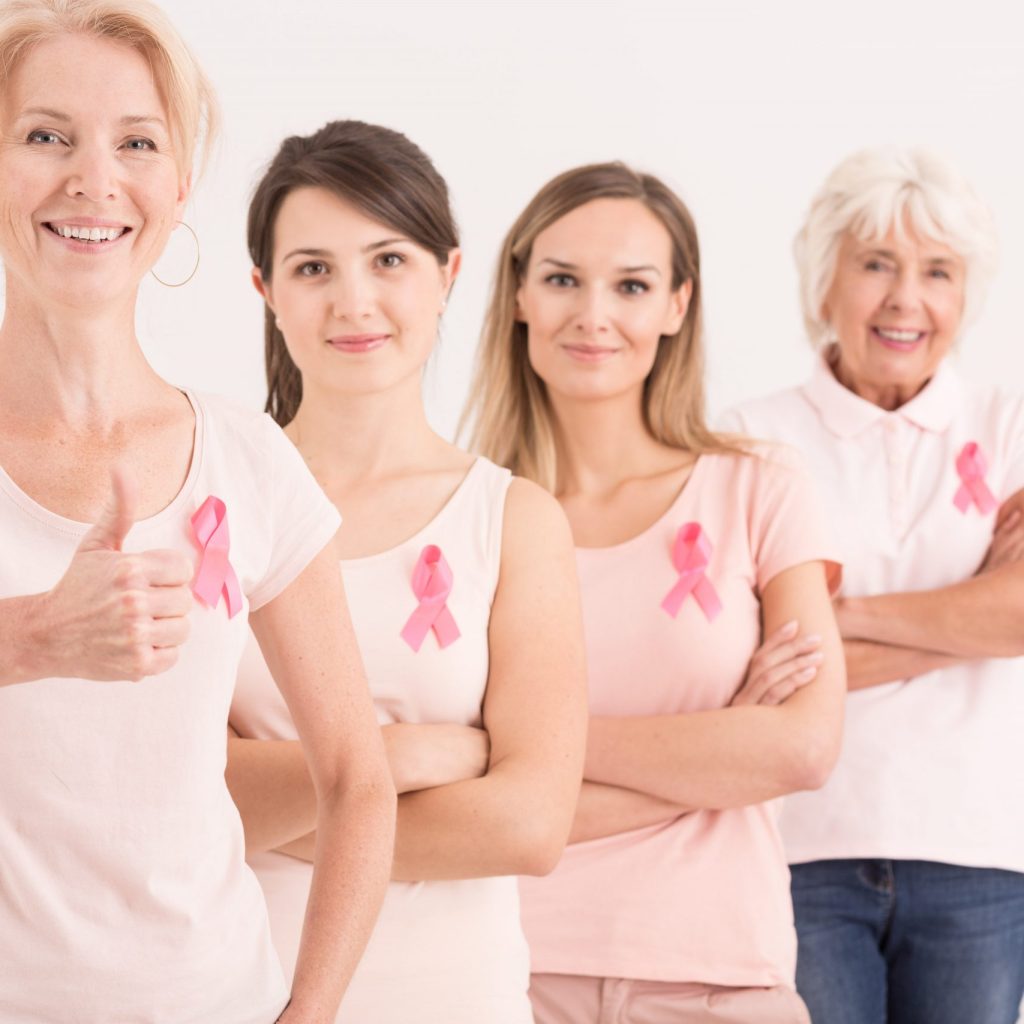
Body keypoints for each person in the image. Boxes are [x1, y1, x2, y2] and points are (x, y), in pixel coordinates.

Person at [0, 3, 394, 1021]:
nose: (94, 179)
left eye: (136, 142)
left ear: (175, 189)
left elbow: (356, 778)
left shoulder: (246, 458)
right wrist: (35, 636)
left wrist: (306, 1014)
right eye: (46, 136)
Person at [463, 161, 845, 1024]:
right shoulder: (466, 517)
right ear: (519, 292)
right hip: (506, 975)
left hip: (722, 975)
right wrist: (721, 752)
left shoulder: (761, 488)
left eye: (631, 285)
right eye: (562, 279)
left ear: (677, 305)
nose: (593, 315)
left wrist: (526, 750)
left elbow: (804, 749)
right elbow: (447, 793)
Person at [227, 119, 587, 1024]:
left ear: (448, 276)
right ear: (266, 290)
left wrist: (268, 799)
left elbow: (530, 827)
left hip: (455, 999)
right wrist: (404, 759)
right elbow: (162, 792)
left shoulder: (513, 522)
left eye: (388, 260)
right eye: (313, 268)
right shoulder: (210, 503)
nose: (353, 302)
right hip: (235, 990)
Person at [722, 146, 1024, 1024]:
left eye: (938, 271)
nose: (906, 298)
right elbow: (738, 657)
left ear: (966, 296)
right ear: (825, 283)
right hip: (800, 852)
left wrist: (828, 618)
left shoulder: (1006, 425)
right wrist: (969, 612)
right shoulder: (752, 439)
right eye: (876, 264)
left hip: (978, 853)